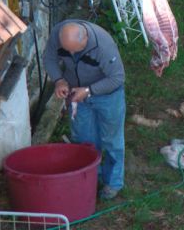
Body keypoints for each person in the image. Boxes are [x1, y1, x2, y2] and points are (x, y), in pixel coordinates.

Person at [44, 19, 126, 200]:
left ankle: (113, 182)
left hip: (108, 95)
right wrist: (59, 79)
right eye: (68, 51)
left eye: (76, 50)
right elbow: (49, 59)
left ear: (86, 38)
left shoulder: (103, 46)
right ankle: (89, 178)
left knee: (111, 140)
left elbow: (118, 78)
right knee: (83, 140)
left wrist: (89, 91)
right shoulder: (59, 35)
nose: (71, 54)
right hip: (76, 95)